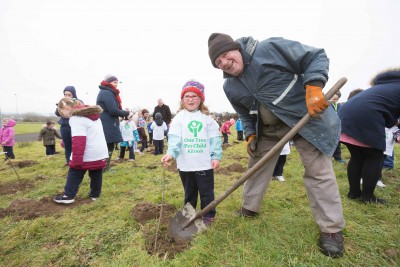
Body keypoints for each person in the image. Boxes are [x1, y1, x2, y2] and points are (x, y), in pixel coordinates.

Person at [208, 33, 345, 257]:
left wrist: (313, 87)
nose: (224, 63)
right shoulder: (230, 86)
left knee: (318, 171)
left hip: (303, 118)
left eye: (225, 55)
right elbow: (243, 113)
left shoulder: (268, 49)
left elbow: (315, 56)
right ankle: (249, 208)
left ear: (236, 49)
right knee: (256, 166)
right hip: (269, 129)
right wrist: (251, 134)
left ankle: (331, 229)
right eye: (218, 62)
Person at [161, 80, 222, 226]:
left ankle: (208, 214)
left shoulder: (207, 119)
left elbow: (215, 139)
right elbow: (175, 139)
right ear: (182, 99)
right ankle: (189, 213)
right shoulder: (178, 119)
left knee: (206, 192)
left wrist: (216, 156)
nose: (191, 99)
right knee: (190, 192)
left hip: (204, 164)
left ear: (201, 99)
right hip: (186, 165)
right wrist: (171, 154)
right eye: (187, 96)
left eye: (194, 96)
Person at [338, 68, 400, 205]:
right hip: (366, 116)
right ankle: (367, 196)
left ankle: (353, 193)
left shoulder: (385, 86)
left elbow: (386, 111)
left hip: (346, 114)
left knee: (358, 156)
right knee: (375, 156)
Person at [53, 97, 108, 204]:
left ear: (66, 108)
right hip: (100, 152)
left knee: (74, 172)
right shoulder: (94, 116)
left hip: (88, 151)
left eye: (62, 113)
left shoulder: (76, 119)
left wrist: (76, 161)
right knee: (96, 171)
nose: (63, 116)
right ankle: (95, 195)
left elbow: (79, 141)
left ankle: (68, 195)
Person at [96, 75, 131, 170]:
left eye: (117, 82)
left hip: (108, 122)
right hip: (107, 123)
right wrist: (126, 113)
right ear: (109, 82)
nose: (117, 84)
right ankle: (104, 167)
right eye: (115, 82)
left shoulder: (107, 92)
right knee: (108, 145)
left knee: (109, 145)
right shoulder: (107, 93)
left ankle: (105, 166)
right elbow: (113, 110)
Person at [55, 86, 80, 166]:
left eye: (69, 95)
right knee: (67, 145)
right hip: (64, 126)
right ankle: (68, 161)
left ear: (74, 95)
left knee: (75, 145)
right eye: (65, 95)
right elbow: (57, 113)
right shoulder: (62, 102)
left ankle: (76, 161)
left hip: (74, 126)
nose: (67, 96)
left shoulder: (79, 102)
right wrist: (60, 106)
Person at [330, 92, 346, 163]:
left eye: (336, 99)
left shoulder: (339, 105)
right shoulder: (327, 105)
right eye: (333, 99)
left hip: (337, 127)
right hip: (328, 127)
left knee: (337, 143)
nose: (335, 100)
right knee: (328, 143)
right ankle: (327, 158)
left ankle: (338, 157)